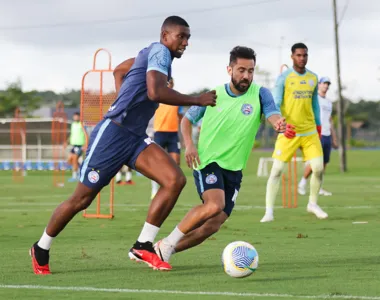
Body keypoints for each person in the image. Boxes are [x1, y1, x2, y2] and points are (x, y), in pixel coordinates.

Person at [30, 15, 217, 275]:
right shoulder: (160, 52)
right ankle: (41, 247)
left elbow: (119, 70)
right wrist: (197, 99)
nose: (186, 42)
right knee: (81, 200)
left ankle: (143, 244)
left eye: (188, 37)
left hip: (134, 136)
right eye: (181, 36)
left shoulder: (153, 54)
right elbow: (155, 93)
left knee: (174, 180)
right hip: (113, 134)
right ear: (165, 36)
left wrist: (123, 94)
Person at [153, 46, 295, 263]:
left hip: (234, 168)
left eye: (250, 71)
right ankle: (169, 242)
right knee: (214, 204)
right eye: (241, 70)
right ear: (229, 69)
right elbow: (186, 120)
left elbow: (272, 113)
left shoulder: (260, 94)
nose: (246, 75)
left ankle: (164, 251)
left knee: (214, 223)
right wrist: (189, 145)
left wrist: (278, 123)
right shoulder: (214, 95)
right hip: (207, 160)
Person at [260, 43, 328, 223]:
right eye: (299, 55)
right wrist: (280, 122)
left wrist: (319, 125)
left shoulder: (313, 77)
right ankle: (269, 211)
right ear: (292, 57)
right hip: (288, 131)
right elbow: (275, 102)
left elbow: (315, 104)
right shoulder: (284, 78)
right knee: (276, 171)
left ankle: (312, 204)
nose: (302, 58)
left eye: (305, 55)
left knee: (319, 168)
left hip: (310, 131)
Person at [298, 76, 338, 196]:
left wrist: (334, 138)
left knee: (324, 164)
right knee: (315, 162)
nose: (326, 86)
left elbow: (330, 120)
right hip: (316, 134)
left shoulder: (329, 103)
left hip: (327, 135)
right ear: (319, 85)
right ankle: (302, 183)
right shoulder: (314, 99)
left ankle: (318, 187)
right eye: (324, 83)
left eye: (327, 84)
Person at [151, 77, 184, 199]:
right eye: (167, 82)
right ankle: (155, 189)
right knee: (157, 162)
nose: (169, 84)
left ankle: (171, 188)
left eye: (170, 82)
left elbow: (180, 115)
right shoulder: (157, 97)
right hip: (159, 132)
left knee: (176, 162)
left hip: (173, 133)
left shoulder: (176, 98)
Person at [66, 112, 86, 182]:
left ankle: (75, 176)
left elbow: (86, 134)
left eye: (77, 116)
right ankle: (81, 170)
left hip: (80, 145)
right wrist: (67, 142)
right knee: (69, 160)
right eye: (74, 116)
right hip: (73, 145)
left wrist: (85, 145)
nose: (75, 118)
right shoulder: (73, 124)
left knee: (74, 159)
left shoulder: (82, 124)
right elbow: (72, 134)